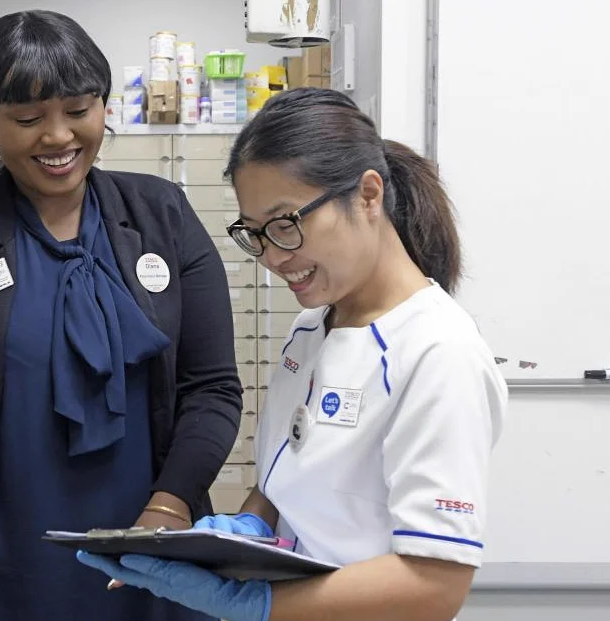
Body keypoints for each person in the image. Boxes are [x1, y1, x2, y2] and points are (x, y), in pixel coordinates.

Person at [0, 9, 242, 621]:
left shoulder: (161, 215)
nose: (59, 137)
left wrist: (168, 509)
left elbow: (213, 388)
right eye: (28, 118)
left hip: (151, 569)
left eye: (79, 109)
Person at [79, 87, 509, 621]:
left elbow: (434, 585)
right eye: (254, 234)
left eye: (286, 225)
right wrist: (246, 529)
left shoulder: (437, 353)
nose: (273, 258)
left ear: (369, 196)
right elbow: (287, 482)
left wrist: (258, 604)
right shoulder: (311, 330)